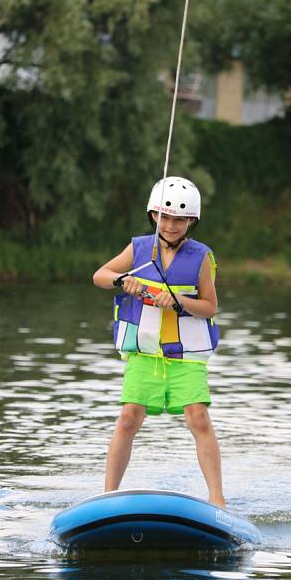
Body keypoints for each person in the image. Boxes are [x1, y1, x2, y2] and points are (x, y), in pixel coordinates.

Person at [92, 176, 226, 508]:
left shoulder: (201, 257)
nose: (170, 225)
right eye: (164, 217)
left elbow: (210, 306)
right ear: (154, 216)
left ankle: (217, 498)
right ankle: (108, 496)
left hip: (186, 357)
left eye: (178, 219)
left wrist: (177, 301)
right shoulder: (139, 248)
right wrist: (125, 281)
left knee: (198, 417)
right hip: (145, 353)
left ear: (190, 221)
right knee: (128, 417)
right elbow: (100, 275)